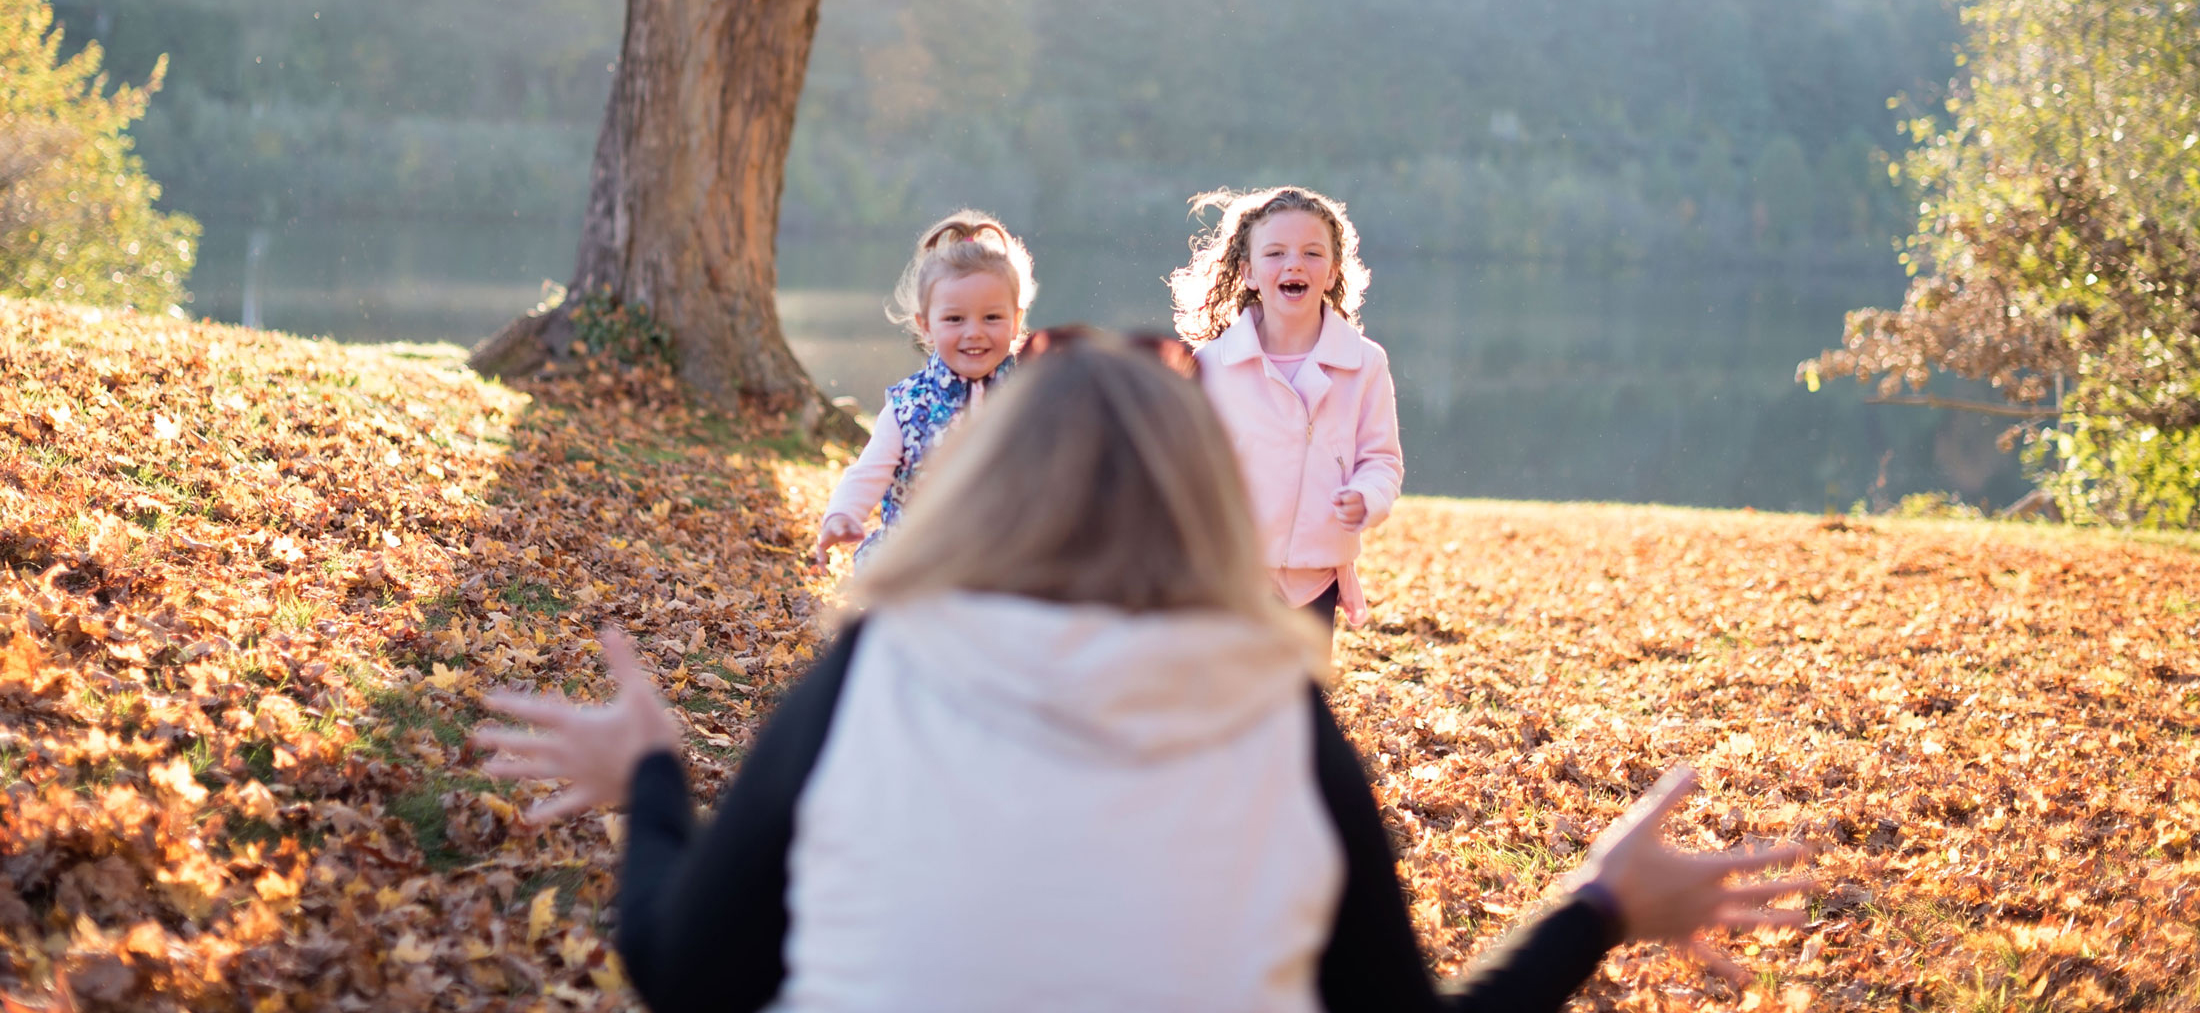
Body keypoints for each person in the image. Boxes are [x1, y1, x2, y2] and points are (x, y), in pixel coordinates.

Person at [473, 335, 1811, 1013]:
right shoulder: (1276, 717)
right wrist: (1598, 908)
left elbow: (688, 976)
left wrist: (649, 779)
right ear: (1203, 503)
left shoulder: (879, 673)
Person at [1171, 186, 1403, 634]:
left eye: (1312, 254)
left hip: (1317, 576)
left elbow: (1381, 461)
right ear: (1249, 272)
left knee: (1301, 699)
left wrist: (1367, 497)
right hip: (1234, 570)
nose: (1294, 264)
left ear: (1334, 273)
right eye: (1275, 253)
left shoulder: (1364, 363)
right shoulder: (1212, 365)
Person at [812, 211, 1035, 564]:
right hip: (918, 557)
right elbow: (869, 471)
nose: (974, 331)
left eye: (991, 317)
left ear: (1015, 321)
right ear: (926, 326)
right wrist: (842, 515)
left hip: (1004, 556)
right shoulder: (910, 404)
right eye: (954, 319)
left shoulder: (1032, 395)